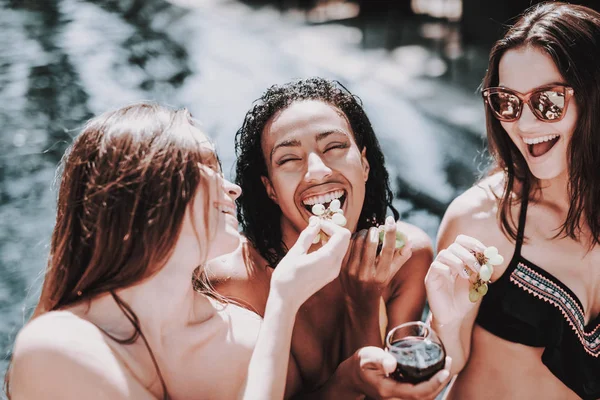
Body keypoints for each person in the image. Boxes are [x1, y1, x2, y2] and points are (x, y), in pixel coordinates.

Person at [5, 102, 351, 400]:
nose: (233, 189)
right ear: (141, 192)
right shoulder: (58, 347)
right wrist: (283, 303)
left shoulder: (243, 335)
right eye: (207, 167)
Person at [207, 77, 451, 399]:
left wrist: (364, 301)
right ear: (270, 190)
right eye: (289, 159)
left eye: (334, 147)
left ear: (364, 165)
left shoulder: (406, 256)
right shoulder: (235, 283)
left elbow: (392, 392)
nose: (318, 171)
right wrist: (351, 377)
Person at [425, 2, 600, 399]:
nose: (523, 124)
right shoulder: (481, 219)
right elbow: (442, 367)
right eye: (507, 101)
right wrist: (445, 323)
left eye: (548, 101)